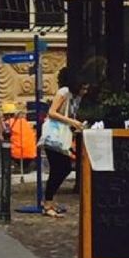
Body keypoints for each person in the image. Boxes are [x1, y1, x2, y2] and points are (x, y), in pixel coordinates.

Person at [41, 66, 86, 218]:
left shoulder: (76, 97)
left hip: (64, 135)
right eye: (83, 88)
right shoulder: (64, 92)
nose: (84, 91)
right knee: (60, 168)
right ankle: (47, 202)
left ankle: (49, 200)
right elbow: (52, 112)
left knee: (62, 168)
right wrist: (72, 121)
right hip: (55, 135)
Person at [2, 101, 37, 167]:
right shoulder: (24, 121)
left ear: (7, 115)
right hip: (32, 154)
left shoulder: (7, 123)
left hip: (18, 155)